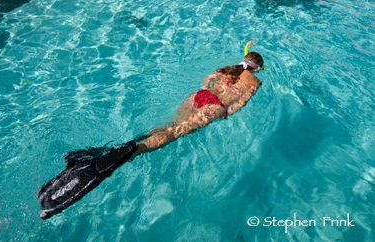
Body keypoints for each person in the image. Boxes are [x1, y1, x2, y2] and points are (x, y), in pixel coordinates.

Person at [38, 44, 264, 219]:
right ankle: (132, 150)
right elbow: (239, 104)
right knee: (174, 133)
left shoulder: (229, 69)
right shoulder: (255, 81)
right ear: (258, 68)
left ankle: (121, 146)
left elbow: (207, 80)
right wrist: (223, 112)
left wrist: (205, 91)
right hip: (214, 107)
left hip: (199, 96)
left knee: (168, 127)